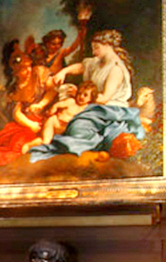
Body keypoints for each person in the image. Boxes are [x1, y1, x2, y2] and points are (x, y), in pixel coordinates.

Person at [29, 28, 147, 162]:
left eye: (96, 48)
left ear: (108, 46)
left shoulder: (116, 69)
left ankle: (92, 147)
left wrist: (80, 94)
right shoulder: (98, 61)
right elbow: (82, 67)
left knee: (79, 126)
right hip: (92, 104)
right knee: (66, 94)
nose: (94, 52)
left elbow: (104, 98)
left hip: (110, 110)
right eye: (93, 48)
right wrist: (64, 72)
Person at [24, 81, 99, 152]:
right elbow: (57, 105)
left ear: (91, 98)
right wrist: (52, 110)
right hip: (54, 123)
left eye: (85, 95)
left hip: (65, 129)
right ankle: (28, 145)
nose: (81, 97)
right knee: (46, 141)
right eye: (80, 93)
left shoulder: (87, 109)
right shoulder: (71, 101)